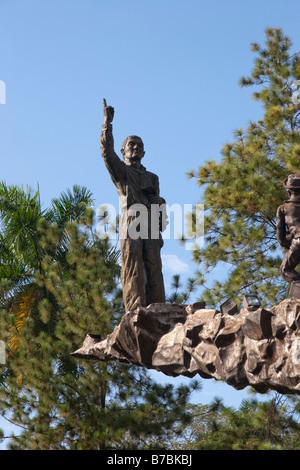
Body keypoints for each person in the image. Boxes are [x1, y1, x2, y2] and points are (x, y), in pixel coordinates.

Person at [100, 99, 167, 311]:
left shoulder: (153, 177)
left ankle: (158, 307)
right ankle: (136, 309)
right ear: (124, 151)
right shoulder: (121, 172)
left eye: (139, 145)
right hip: (131, 219)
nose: (136, 147)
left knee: (154, 266)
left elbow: (161, 213)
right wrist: (107, 125)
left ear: (144, 153)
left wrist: (161, 203)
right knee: (133, 264)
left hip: (151, 223)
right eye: (131, 144)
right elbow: (106, 154)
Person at [276, 174, 300, 284]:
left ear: (289, 191)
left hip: (298, 240)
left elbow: (280, 236)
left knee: (285, 269)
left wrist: (287, 241)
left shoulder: (283, 208)